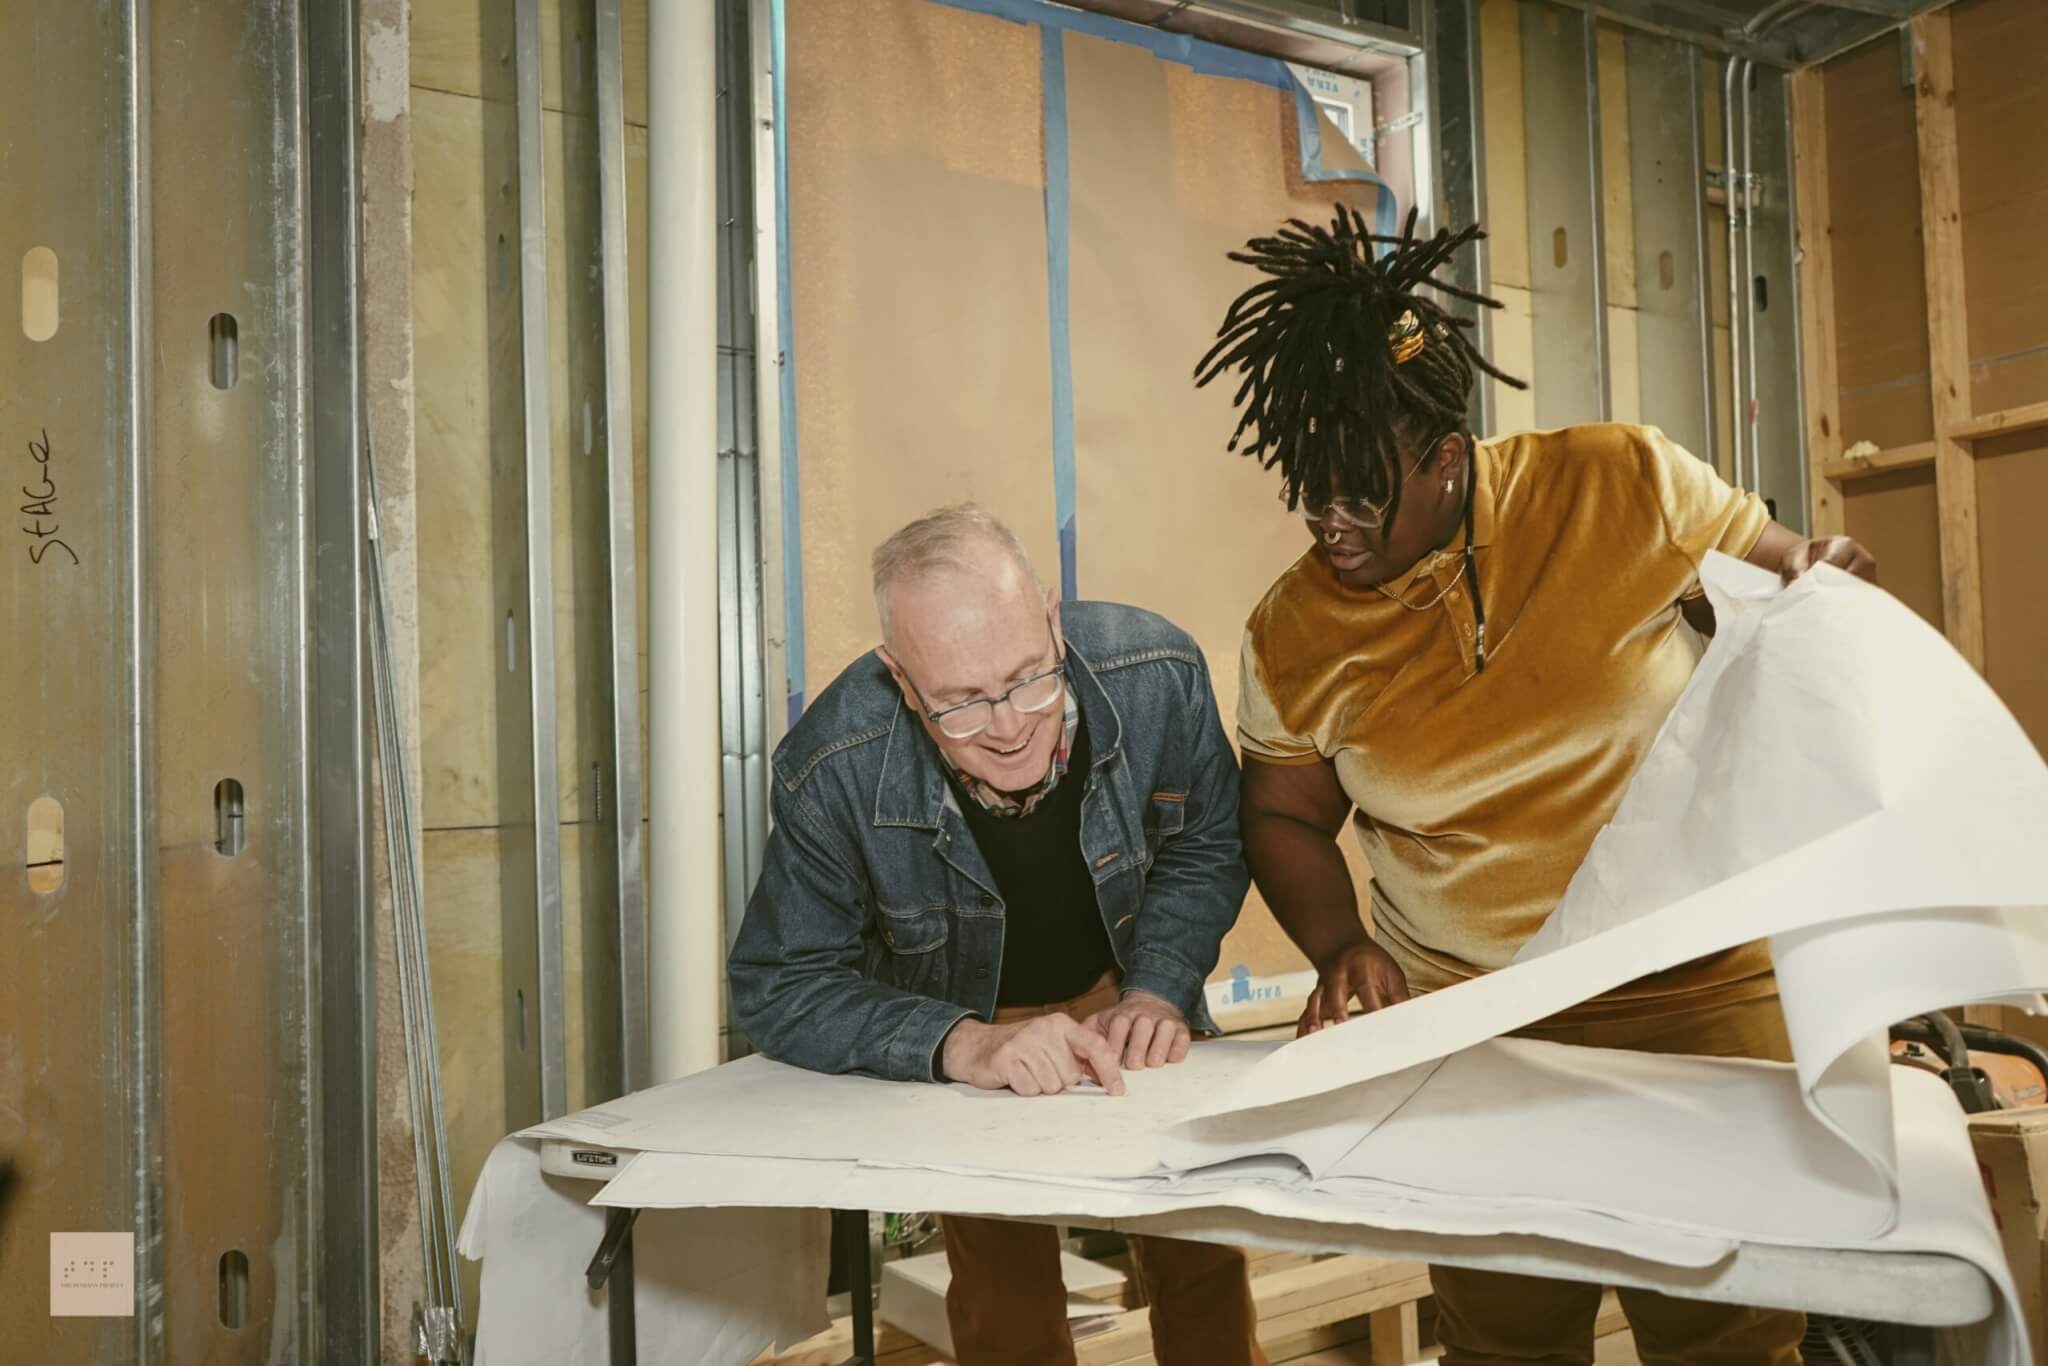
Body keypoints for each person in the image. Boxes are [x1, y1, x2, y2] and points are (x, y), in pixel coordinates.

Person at [1195, 205, 1877, 1366]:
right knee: (1507, 1334)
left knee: (1724, 1323)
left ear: (1447, 458)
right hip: (1479, 1019)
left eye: (1362, 491)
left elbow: (1779, 570)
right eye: (1308, 489)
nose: (1328, 520)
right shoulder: (1293, 627)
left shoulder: (1616, 482)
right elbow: (1284, 812)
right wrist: (1336, 941)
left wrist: (1815, 572)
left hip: (1695, 991)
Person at [729, 504, 1267, 1366]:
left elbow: (1209, 841)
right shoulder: (831, 765)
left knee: (1195, 1242)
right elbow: (779, 981)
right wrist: (961, 1044)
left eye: (1028, 678)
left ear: (1053, 619)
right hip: (965, 1013)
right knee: (1004, 1296)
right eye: (962, 703)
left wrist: (1160, 983)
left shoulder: (1156, 671)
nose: (1012, 727)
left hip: (1127, 978)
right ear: (900, 682)